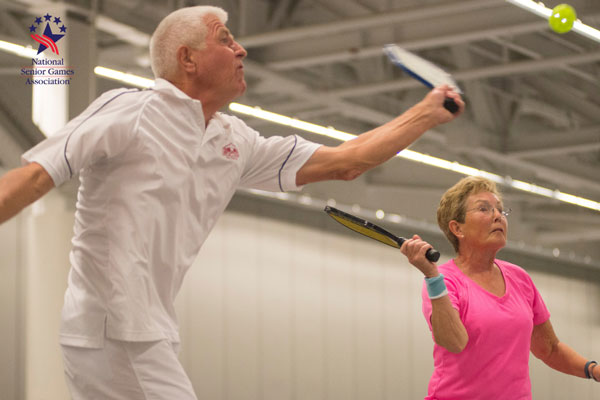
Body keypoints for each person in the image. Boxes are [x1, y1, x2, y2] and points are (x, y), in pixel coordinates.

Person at [0, 5, 464, 400]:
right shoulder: (130, 110)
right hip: (115, 329)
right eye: (226, 40)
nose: (241, 50)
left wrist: (425, 112)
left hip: (144, 331)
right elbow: (36, 175)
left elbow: (348, 162)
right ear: (188, 58)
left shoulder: (235, 140)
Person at [400, 176, 599, 399]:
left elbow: (549, 349)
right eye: (484, 209)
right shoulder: (444, 280)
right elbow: (455, 342)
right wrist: (431, 275)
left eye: (500, 210)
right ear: (457, 228)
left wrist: (593, 369)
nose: (497, 216)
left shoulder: (519, 278)